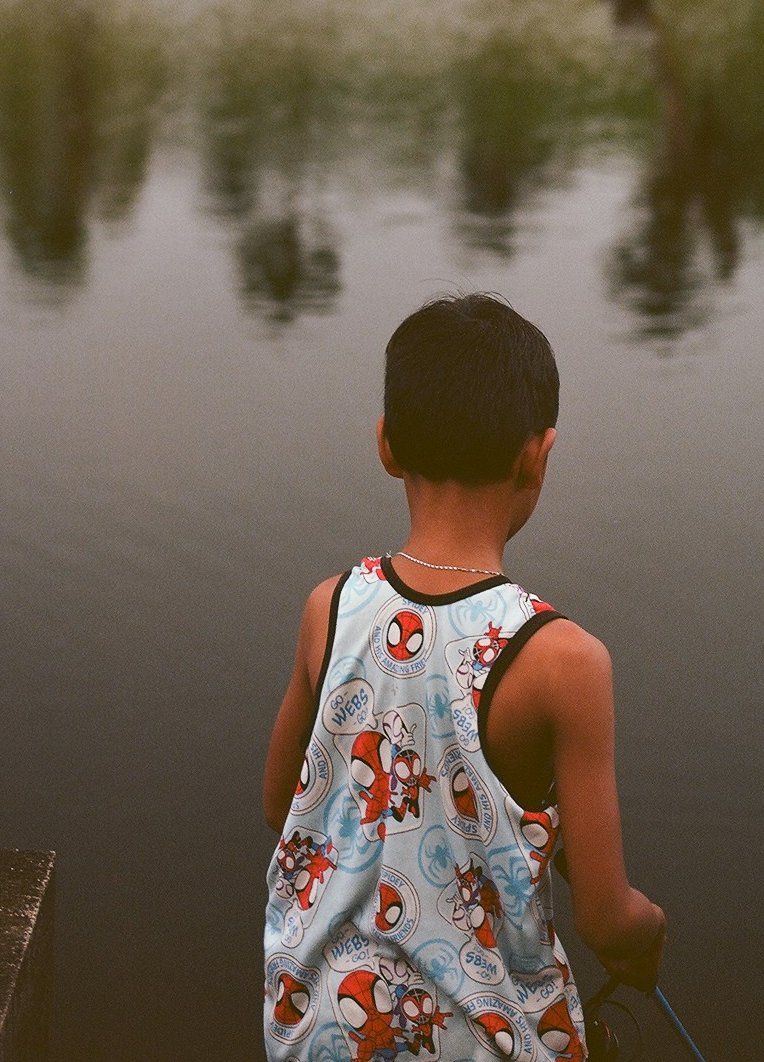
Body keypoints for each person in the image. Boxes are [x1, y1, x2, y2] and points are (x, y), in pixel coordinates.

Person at [262, 292, 665, 1062]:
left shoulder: (331, 607)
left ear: (386, 445)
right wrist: (649, 932)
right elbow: (608, 919)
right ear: (536, 456)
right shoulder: (563, 660)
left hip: (317, 1033)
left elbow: (283, 802)